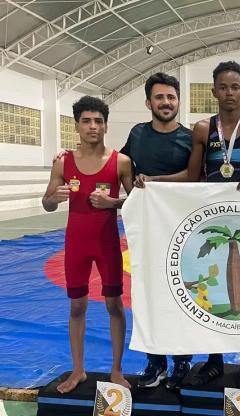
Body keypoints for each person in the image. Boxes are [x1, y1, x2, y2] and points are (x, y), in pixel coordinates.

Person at [42, 96, 133, 393]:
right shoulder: (63, 162)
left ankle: (116, 370)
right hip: (76, 245)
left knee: (114, 305)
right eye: (86, 121)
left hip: (107, 244)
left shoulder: (121, 162)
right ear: (77, 126)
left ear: (106, 125)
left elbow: (137, 202)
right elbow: (47, 203)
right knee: (77, 306)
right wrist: (53, 199)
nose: (93, 126)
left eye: (98, 121)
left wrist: (113, 202)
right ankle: (78, 370)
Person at [186, 61, 240, 388]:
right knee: (215, 288)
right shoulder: (202, 129)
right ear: (214, 91)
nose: (229, 93)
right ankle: (214, 360)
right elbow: (192, 176)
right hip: (213, 221)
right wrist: (153, 182)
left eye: (235, 87)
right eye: (223, 87)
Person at [120, 72, 194, 390]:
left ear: (178, 101)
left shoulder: (190, 137)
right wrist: (70, 155)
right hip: (148, 228)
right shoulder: (137, 134)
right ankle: (155, 361)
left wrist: (155, 181)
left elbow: (196, 175)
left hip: (182, 229)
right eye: (160, 97)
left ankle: (181, 361)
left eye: (171, 97)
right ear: (149, 102)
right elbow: (120, 163)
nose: (166, 102)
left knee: (181, 293)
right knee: (148, 293)